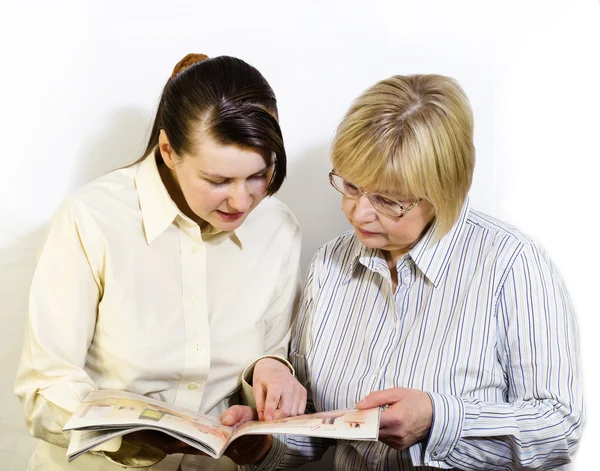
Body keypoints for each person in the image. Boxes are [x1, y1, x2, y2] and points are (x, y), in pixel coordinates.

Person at [231, 74, 585, 470]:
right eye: (350, 185)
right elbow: (320, 420)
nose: (358, 212)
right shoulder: (330, 266)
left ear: (443, 191)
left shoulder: (512, 266)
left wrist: (439, 419)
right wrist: (264, 441)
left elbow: (559, 427)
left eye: (388, 199)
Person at [14, 53, 306, 471]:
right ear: (168, 150)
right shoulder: (93, 217)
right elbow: (45, 387)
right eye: (217, 180)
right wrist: (130, 436)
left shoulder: (278, 227)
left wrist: (273, 371)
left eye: (259, 175)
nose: (242, 201)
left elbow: (273, 348)